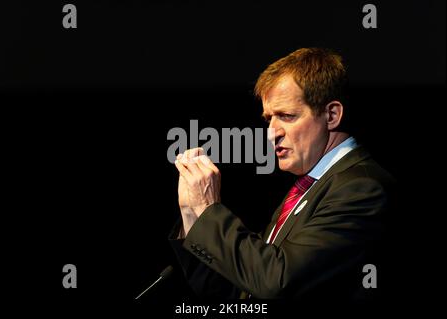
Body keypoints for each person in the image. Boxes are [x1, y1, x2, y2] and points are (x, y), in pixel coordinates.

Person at [169, 48, 395, 301]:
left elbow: (277, 282)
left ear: (331, 115)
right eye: (269, 119)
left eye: (287, 116)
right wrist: (192, 216)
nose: (271, 133)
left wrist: (208, 209)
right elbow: (242, 291)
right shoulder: (309, 187)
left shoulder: (361, 187)